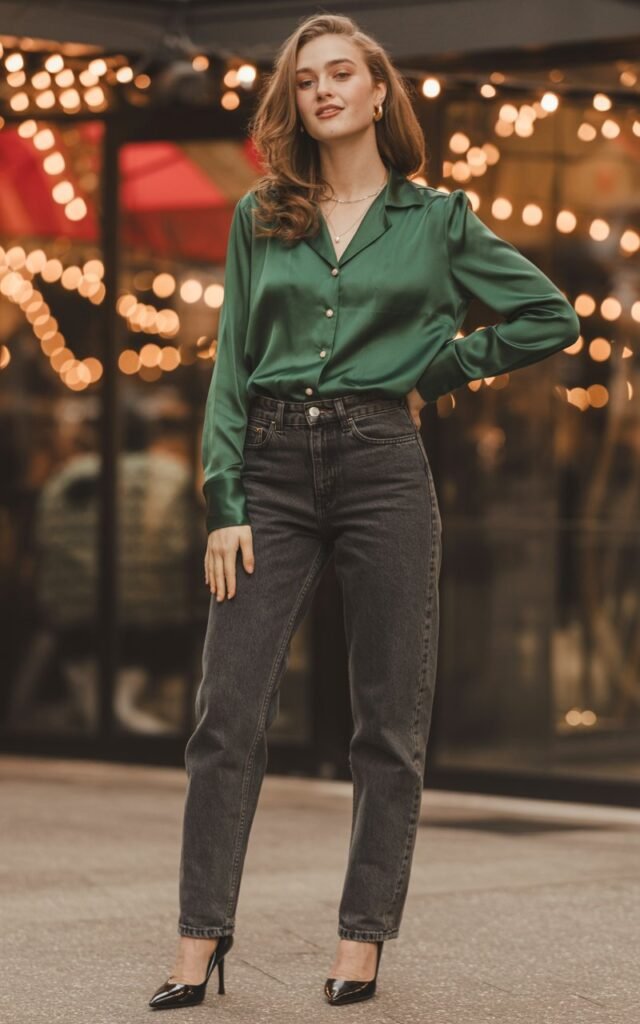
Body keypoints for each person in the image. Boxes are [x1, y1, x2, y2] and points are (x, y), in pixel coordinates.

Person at [148, 12, 580, 1011]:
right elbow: (231, 367)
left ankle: (361, 940)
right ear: (294, 103)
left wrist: (442, 366)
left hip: (385, 462)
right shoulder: (262, 216)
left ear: (381, 94)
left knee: (388, 721)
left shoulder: (439, 222)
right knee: (226, 715)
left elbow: (545, 315)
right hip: (272, 468)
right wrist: (225, 498)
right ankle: (197, 936)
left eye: (343, 74)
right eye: (307, 82)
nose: (325, 91)